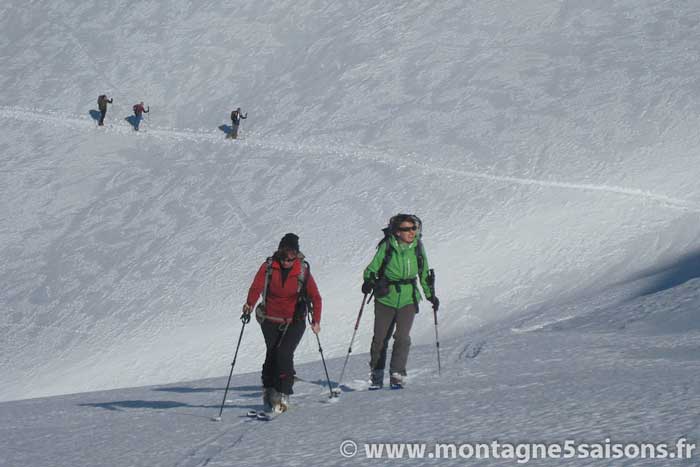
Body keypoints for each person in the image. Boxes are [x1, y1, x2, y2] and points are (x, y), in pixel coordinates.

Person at [243, 233, 322, 413]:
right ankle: (269, 391)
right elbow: (256, 287)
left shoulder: (302, 270)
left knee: (284, 353)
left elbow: (315, 297)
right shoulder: (269, 266)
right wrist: (249, 303)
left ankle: (283, 394)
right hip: (269, 319)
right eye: (285, 254)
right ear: (279, 251)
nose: (287, 259)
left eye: (292, 255)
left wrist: (316, 320)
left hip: (295, 320)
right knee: (272, 355)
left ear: (297, 254)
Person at [361, 214, 439, 389]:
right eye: (406, 229)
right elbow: (373, 268)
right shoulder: (387, 246)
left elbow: (424, 272)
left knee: (402, 337)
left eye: (413, 228)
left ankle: (397, 374)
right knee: (380, 338)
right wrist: (368, 281)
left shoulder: (417, 247)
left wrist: (430, 295)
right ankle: (377, 373)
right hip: (385, 298)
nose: (411, 232)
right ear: (397, 232)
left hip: (408, 298)